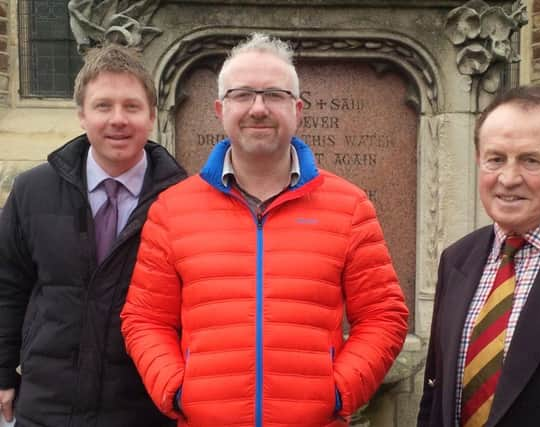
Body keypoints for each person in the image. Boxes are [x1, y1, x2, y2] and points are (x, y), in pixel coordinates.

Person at [120, 32, 409, 426]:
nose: (258, 108)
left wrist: (338, 391)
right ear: (220, 109)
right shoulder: (172, 209)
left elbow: (383, 316)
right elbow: (144, 319)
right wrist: (178, 390)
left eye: (274, 95)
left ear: (298, 109)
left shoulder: (350, 207)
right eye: (243, 95)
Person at [0, 44, 187, 427]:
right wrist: (2, 372)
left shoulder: (184, 200)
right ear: (81, 114)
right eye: (103, 106)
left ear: (152, 115)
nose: (118, 119)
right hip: (47, 405)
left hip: (142, 409)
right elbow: (8, 286)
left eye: (131, 106)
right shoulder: (32, 191)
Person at [417, 86, 540, 427]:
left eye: (531, 160)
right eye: (496, 159)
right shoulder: (457, 260)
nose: (509, 178)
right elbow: (435, 395)